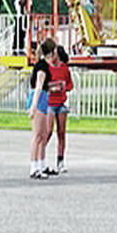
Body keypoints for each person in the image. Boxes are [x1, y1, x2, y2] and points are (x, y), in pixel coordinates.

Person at [27, 38, 56, 179]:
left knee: (44, 134)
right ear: (50, 52)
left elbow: (43, 86)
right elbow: (38, 86)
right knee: (37, 135)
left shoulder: (45, 66)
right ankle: (34, 166)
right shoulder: (42, 66)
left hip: (43, 98)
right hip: (38, 99)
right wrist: (33, 106)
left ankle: (41, 164)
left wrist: (54, 87)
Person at [46, 45, 73, 173]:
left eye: (54, 54)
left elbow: (70, 84)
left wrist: (64, 87)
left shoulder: (64, 69)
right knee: (48, 131)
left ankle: (60, 160)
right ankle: (40, 157)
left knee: (61, 133)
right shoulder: (47, 68)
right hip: (50, 102)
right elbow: (44, 84)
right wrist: (52, 87)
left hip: (61, 102)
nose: (52, 56)